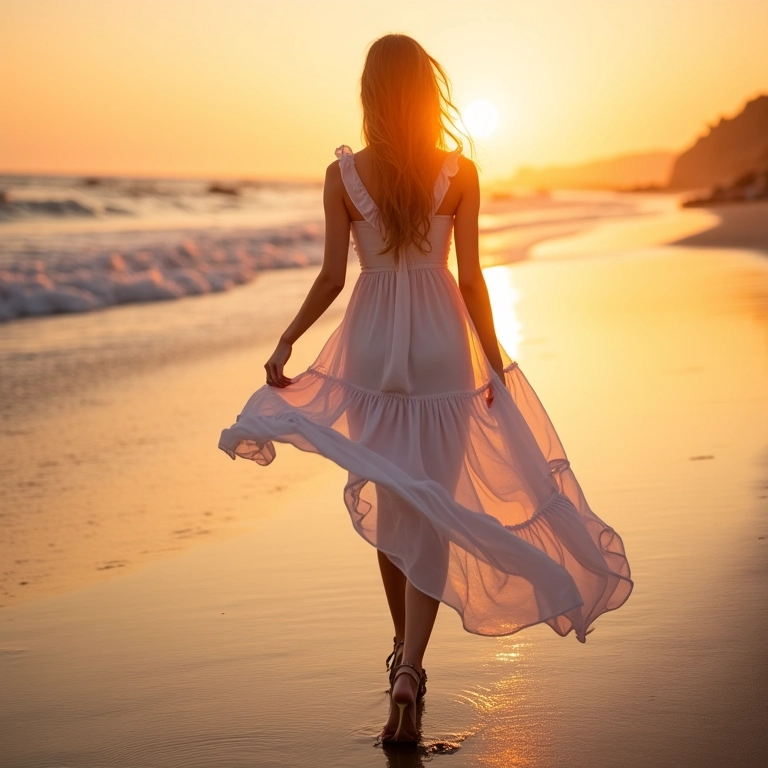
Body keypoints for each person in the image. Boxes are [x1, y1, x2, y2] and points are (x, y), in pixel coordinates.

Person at [219, 33, 633, 745]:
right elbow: (472, 277)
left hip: (374, 347)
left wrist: (287, 340)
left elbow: (331, 278)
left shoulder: (343, 175)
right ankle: (410, 664)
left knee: (390, 495)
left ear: (371, 94)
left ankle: (401, 663)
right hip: (444, 345)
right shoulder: (460, 171)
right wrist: (497, 362)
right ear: (424, 91)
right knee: (434, 507)